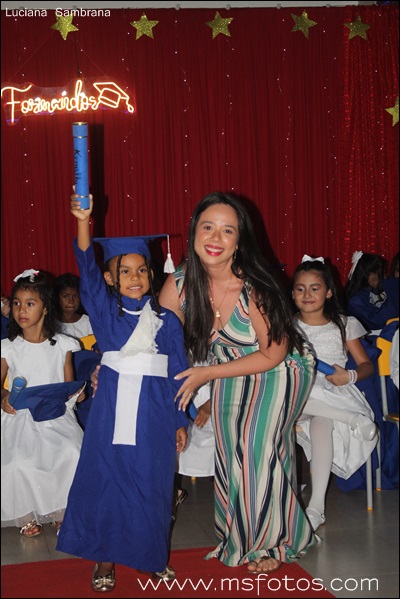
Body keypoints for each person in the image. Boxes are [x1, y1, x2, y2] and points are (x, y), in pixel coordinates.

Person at [159, 191, 318, 574]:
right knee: (232, 450)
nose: (215, 238)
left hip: (283, 368)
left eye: (227, 230)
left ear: (239, 240)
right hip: (229, 368)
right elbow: (155, 344)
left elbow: (273, 354)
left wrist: (207, 375)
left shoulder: (256, 287)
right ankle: (253, 534)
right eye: (207, 227)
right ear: (194, 233)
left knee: (256, 444)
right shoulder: (178, 285)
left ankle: (269, 544)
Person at [56, 194, 189, 591]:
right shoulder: (105, 312)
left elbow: (179, 372)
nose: (135, 277)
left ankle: (150, 555)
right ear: (110, 278)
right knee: (108, 483)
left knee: (153, 484)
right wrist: (83, 221)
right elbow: (85, 266)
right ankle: (105, 558)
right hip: (111, 412)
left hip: (155, 414)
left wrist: (180, 420)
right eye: (125, 271)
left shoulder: (167, 321)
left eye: (142, 270)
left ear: (152, 274)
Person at [292, 256, 377, 531]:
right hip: (295, 394)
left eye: (315, 288)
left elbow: (366, 366)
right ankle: (352, 420)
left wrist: (348, 376)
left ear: (329, 292)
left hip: (332, 391)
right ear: (292, 293)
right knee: (302, 394)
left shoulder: (343, 324)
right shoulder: (286, 326)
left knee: (322, 422)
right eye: (300, 288)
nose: (307, 294)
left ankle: (316, 507)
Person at [1, 270, 83, 537]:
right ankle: (25, 513)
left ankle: (62, 511)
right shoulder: (8, 347)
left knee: (71, 452)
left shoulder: (63, 346)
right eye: (16, 303)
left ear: (46, 308)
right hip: (20, 415)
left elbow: (68, 387)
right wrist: (3, 398)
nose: (21, 310)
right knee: (17, 461)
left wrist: (77, 394)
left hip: (54, 415)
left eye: (30, 303)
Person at [345, 251, 398, 333]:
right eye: (383, 273)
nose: (386, 276)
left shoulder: (381, 292)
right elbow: (376, 320)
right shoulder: (356, 301)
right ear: (373, 279)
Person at [54, 272, 93, 342]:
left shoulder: (88, 322)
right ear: (57, 297)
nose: (71, 301)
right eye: (66, 296)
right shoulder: (51, 323)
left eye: (75, 296)